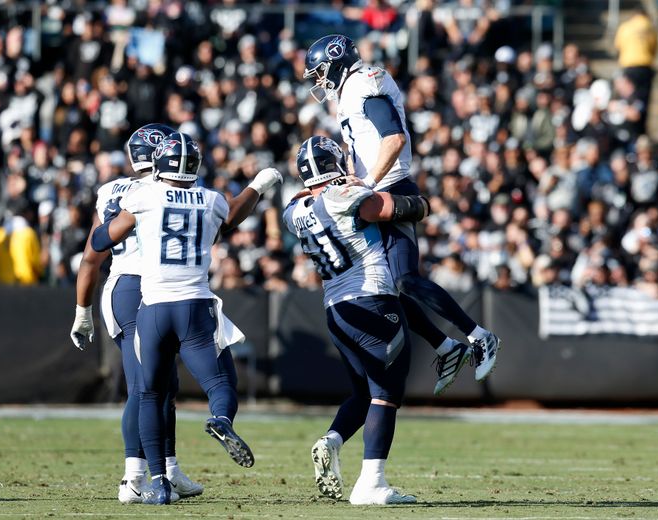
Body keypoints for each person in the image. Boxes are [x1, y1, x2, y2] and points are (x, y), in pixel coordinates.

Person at [90, 132, 282, 505]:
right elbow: (234, 213)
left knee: (148, 394)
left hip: (153, 309)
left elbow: (102, 241)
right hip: (195, 306)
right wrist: (258, 186)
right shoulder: (210, 200)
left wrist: (108, 224)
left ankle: (159, 481)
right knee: (220, 382)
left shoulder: (142, 195)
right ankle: (221, 421)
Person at [303, 34, 500, 395]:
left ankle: (479, 336)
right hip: (376, 191)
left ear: (337, 61)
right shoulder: (348, 92)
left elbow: (393, 138)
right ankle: (445, 347)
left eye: (320, 72)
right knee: (388, 284)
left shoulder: (365, 82)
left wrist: (368, 182)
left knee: (405, 280)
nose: (319, 81)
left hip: (391, 189)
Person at [284, 136, 431, 505]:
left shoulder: (294, 210)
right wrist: (416, 199)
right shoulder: (346, 196)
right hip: (373, 300)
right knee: (386, 394)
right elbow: (405, 209)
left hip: (336, 309)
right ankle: (372, 483)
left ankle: (331, 440)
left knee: (364, 393)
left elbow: (303, 200)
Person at [70, 123, 203, 504]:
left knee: (164, 386)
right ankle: (132, 478)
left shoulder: (113, 189)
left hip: (131, 287)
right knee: (145, 387)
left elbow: (90, 257)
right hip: (140, 285)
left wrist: (83, 309)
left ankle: (170, 469)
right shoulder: (165, 190)